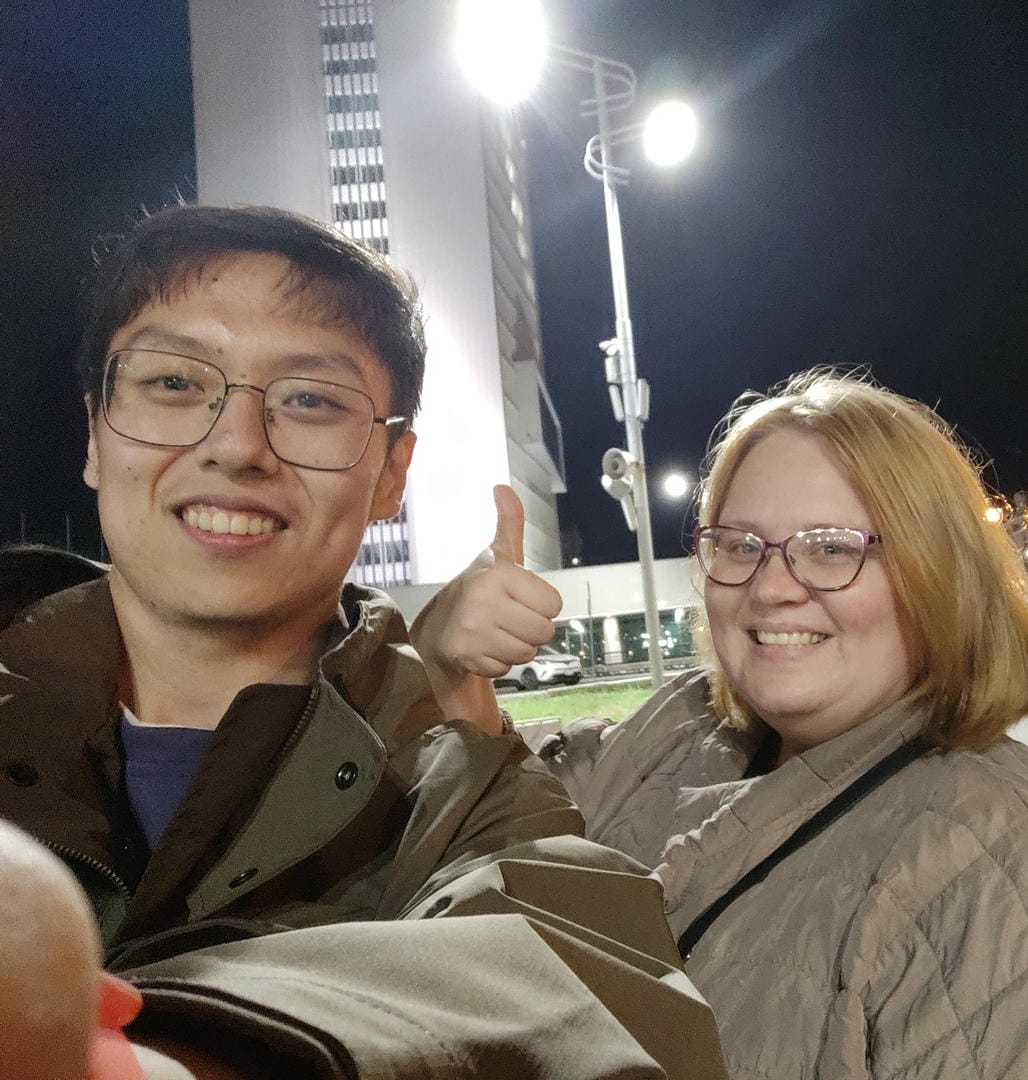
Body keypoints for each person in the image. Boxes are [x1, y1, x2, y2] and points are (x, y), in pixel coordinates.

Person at [0, 203, 725, 1079]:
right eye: (175, 383)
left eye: (309, 400)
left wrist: (163, 1061)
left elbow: (597, 997)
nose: (236, 445)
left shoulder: (459, 794)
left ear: (391, 475)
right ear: (94, 431)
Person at [424, 369, 1028, 1078]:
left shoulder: (1024, 886)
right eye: (740, 545)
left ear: (935, 573)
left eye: (831, 549)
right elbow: (490, 856)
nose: (772, 587)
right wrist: (448, 670)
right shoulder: (681, 732)